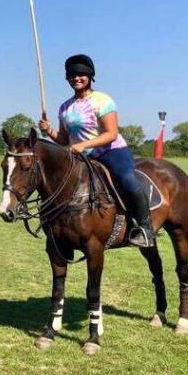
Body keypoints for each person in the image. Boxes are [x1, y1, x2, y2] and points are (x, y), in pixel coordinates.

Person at [38, 54, 156, 248]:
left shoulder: (102, 100)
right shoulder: (65, 107)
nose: (76, 78)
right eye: (72, 75)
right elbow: (64, 140)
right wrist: (49, 131)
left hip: (111, 152)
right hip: (80, 157)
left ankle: (144, 228)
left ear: (90, 76)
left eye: (81, 75)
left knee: (127, 180)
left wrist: (83, 145)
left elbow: (111, 133)